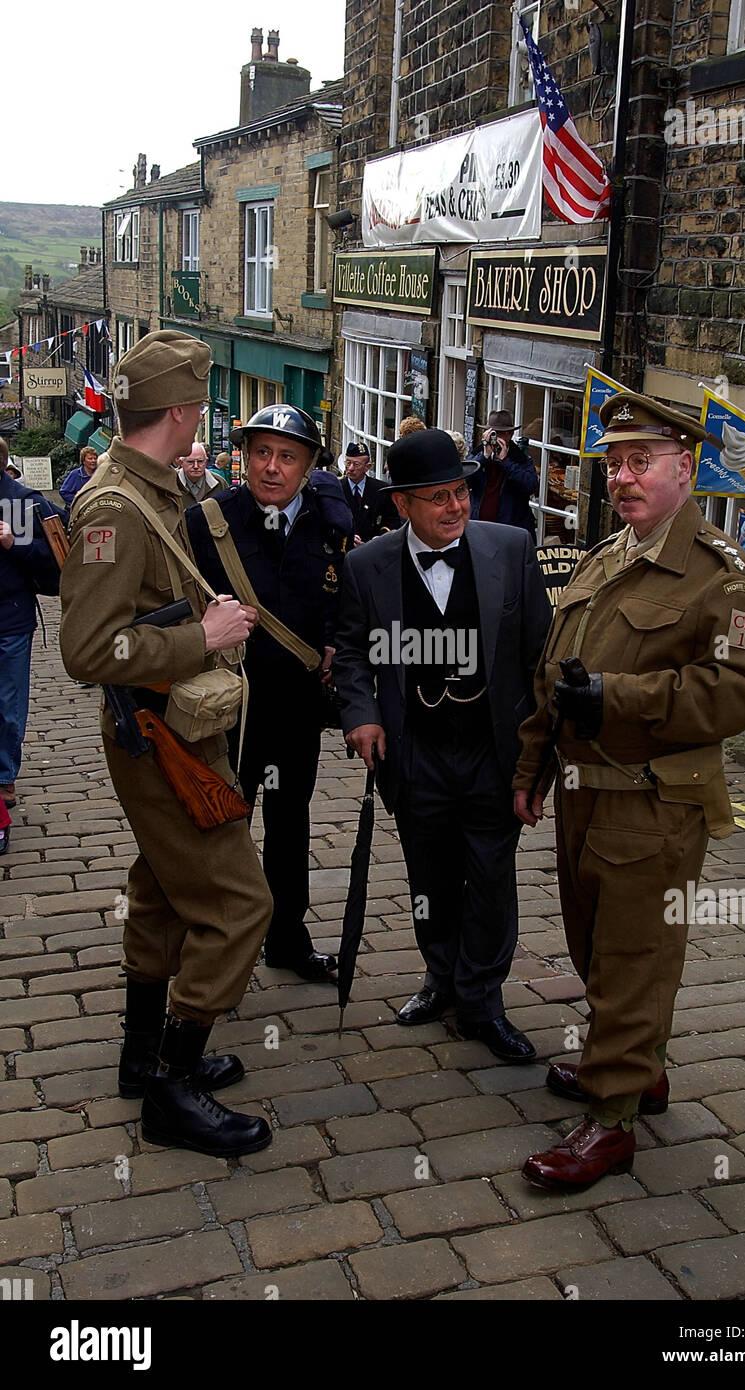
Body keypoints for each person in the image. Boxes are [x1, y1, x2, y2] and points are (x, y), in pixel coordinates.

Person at [513, 388, 745, 1190]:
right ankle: (640, 1070)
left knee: (632, 956)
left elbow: (736, 694)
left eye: (642, 461)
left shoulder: (720, 579)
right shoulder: (606, 555)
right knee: (595, 946)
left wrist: (621, 699)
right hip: (581, 792)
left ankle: (611, 1119)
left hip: (654, 799)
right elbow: (552, 676)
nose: (622, 477)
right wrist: (530, 769)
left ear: (685, 468)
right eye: (614, 462)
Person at [59, 329, 274, 1159]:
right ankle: (173, 1090)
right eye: (200, 408)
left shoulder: (152, 488)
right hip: (158, 739)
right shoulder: (116, 507)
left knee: (158, 889)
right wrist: (203, 635)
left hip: (172, 729)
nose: (202, 422)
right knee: (238, 905)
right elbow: (86, 650)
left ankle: (141, 1058)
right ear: (180, 410)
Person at [334, 428, 551, 1062]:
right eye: (437, 497)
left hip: (491, 748)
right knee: (428, 873)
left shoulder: (510, 549)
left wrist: (539, 756)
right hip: (416, 751)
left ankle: (483, 1000)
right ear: (401, 504)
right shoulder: (366, 566)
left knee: (489, 878)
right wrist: (362, 714)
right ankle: (440, 977)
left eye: (459, 491)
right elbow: (351, 653)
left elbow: (540, 655)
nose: (456, 506)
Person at [186, 405, 352, 983]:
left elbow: (342, 602)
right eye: (262, 452)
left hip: (295, 709)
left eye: (287, 456)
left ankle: (287, 936)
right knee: (221, 824)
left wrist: (334, 643)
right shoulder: (208, 522)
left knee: (290, 821)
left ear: (308, 466)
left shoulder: (329, 527)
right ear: (244, 456)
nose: (272, 467)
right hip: (226, 708)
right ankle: (213, 945)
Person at [0, 435, 65, 810]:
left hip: (9, 618)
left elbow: (57, 560)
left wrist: (14, 543)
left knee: (7, 703)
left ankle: (4, 776)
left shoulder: (21, 503)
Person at [468, 410, 538, 538]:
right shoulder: (478, 455)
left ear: (510, 434)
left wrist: (506, 462)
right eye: (493, 433)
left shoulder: (521, 459)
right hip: (478, 529)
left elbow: (530, 485)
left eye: (500, 433)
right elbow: (465, 480)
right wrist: (484, 456)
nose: (496, 438)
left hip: (509, 532)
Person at [341, 442, 395, 545]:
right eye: (348, 463)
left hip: (372, 552)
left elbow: (392, 520)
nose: (351, 468)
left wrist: (378, 539)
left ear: (367, 467)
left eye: (356, 464)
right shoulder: (336, 489)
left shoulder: (381, 490)